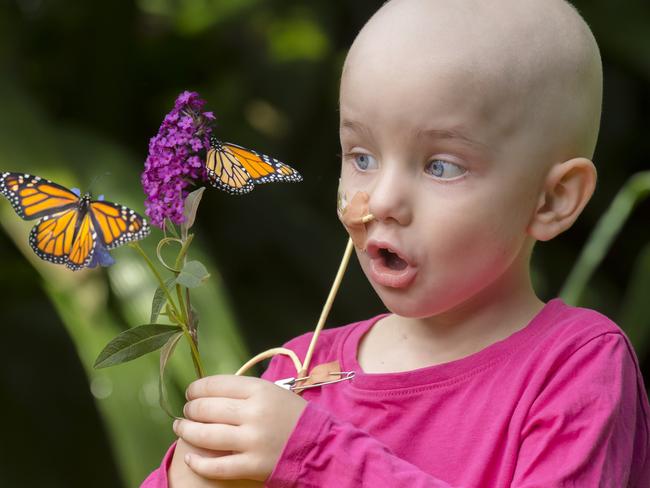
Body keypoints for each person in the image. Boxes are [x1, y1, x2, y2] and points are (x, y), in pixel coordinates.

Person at [142, 0, 650, 486]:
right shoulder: (300, 368)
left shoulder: (575, 366)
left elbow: (310, 455)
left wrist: (316, 456)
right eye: (361, 157)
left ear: (551, 200)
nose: (381, 200)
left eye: (441, 166)